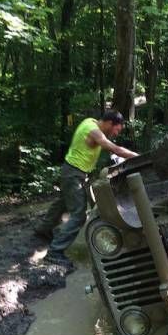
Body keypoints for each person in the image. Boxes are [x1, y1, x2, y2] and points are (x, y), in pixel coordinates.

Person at [36, 110, 138, 268]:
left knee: (62, 203)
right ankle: (54, 252)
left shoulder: (89, 122)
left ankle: (44, 228)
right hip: (74, 174)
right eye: (117, 129)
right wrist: (139, 157)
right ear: (110, 123)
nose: (116, 133)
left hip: (72, 171)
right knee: (78, 215)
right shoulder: (94, 131)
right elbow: (115, 149)